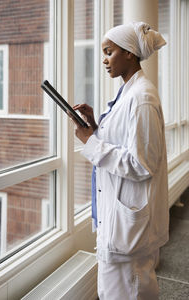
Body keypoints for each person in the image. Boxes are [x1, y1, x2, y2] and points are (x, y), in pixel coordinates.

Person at [72, 22, 169, 300]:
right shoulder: (127, 92)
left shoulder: (142, 98)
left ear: (129, 53)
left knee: (129, 290)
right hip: (118, 219)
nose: (104, 58)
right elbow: (123, 142)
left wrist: (91, 143)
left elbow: (142, 164)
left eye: (109, 51)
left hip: (131, 228)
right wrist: (95, 125)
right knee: (113, 289)